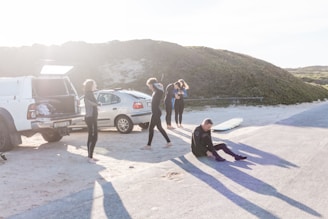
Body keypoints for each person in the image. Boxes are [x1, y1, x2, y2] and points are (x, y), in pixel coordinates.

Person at [142, 77, 172, 150]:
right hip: (156, 112)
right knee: (159, 127)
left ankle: (148, 145)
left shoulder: (158, 91)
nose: (149, 87)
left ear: (153, 84)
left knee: (151, 128)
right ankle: (169, 142)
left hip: (156, 113)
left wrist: (157, 84)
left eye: (149, 85)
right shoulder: (155, 91)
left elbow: (160, 89)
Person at [83, 79, 100, 163]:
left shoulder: (90, 93)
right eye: (94, 84)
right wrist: (97, 104)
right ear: (91, 86)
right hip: (91, 118)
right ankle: (90, 157)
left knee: (92, 136)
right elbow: (90, 102)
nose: (96, 85)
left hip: (91, 118)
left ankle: (90, 156)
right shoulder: (88, 94)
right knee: (93, 137)